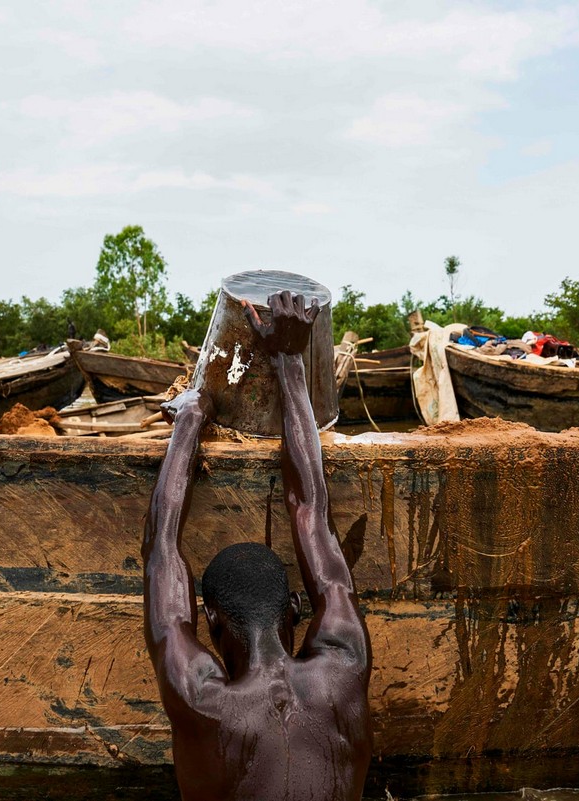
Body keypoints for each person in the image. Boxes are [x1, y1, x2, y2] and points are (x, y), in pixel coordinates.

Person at [143, 290, 372, 801]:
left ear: (212, 621)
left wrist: (190, 417)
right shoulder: (346, 667)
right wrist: (290, 359)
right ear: (295, 606)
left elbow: (162, 551)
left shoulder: (202, 698)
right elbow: (313, 514)